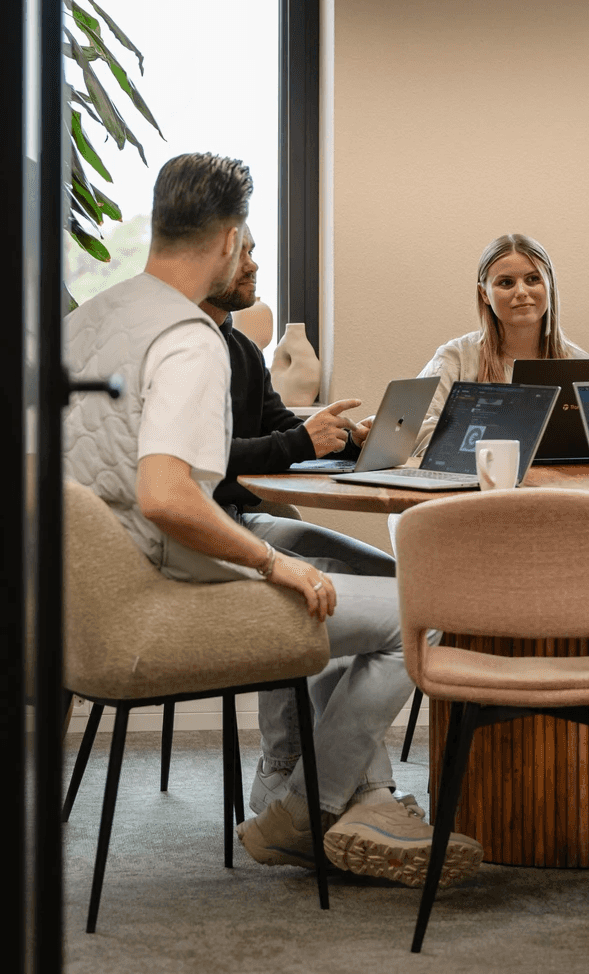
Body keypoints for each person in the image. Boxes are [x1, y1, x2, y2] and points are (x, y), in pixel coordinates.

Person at [63, 153, 482, 890]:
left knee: (371, 573)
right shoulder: (188, 338)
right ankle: (304, 810)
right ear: (227, 241)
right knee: (431, 609)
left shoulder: (92, 318)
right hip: (171, 576)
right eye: (247, 242)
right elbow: (167, 494)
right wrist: (271, 564)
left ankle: (352, 795)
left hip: (108, 577)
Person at [197, 224, 403, 814]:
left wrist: (342, 443)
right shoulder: (183, 347)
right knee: (348, 593)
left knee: (390, 577)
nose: (256, 265)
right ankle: (327, 791)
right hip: (210, 530)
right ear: (207, 251)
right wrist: (297, 440)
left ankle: (294, 770)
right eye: (246, 252)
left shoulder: (236, 346)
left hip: (238, 519)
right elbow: (203, 461)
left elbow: (275, 428)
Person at [407, 232, 589, 455]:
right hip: (475, 487)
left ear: (549, 285)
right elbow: (410, 428)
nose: (521, 292)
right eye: (506, 282)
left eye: (533, 279)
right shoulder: (455, 358)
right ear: (484, 294)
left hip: (558, 487)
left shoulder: (581, 365)